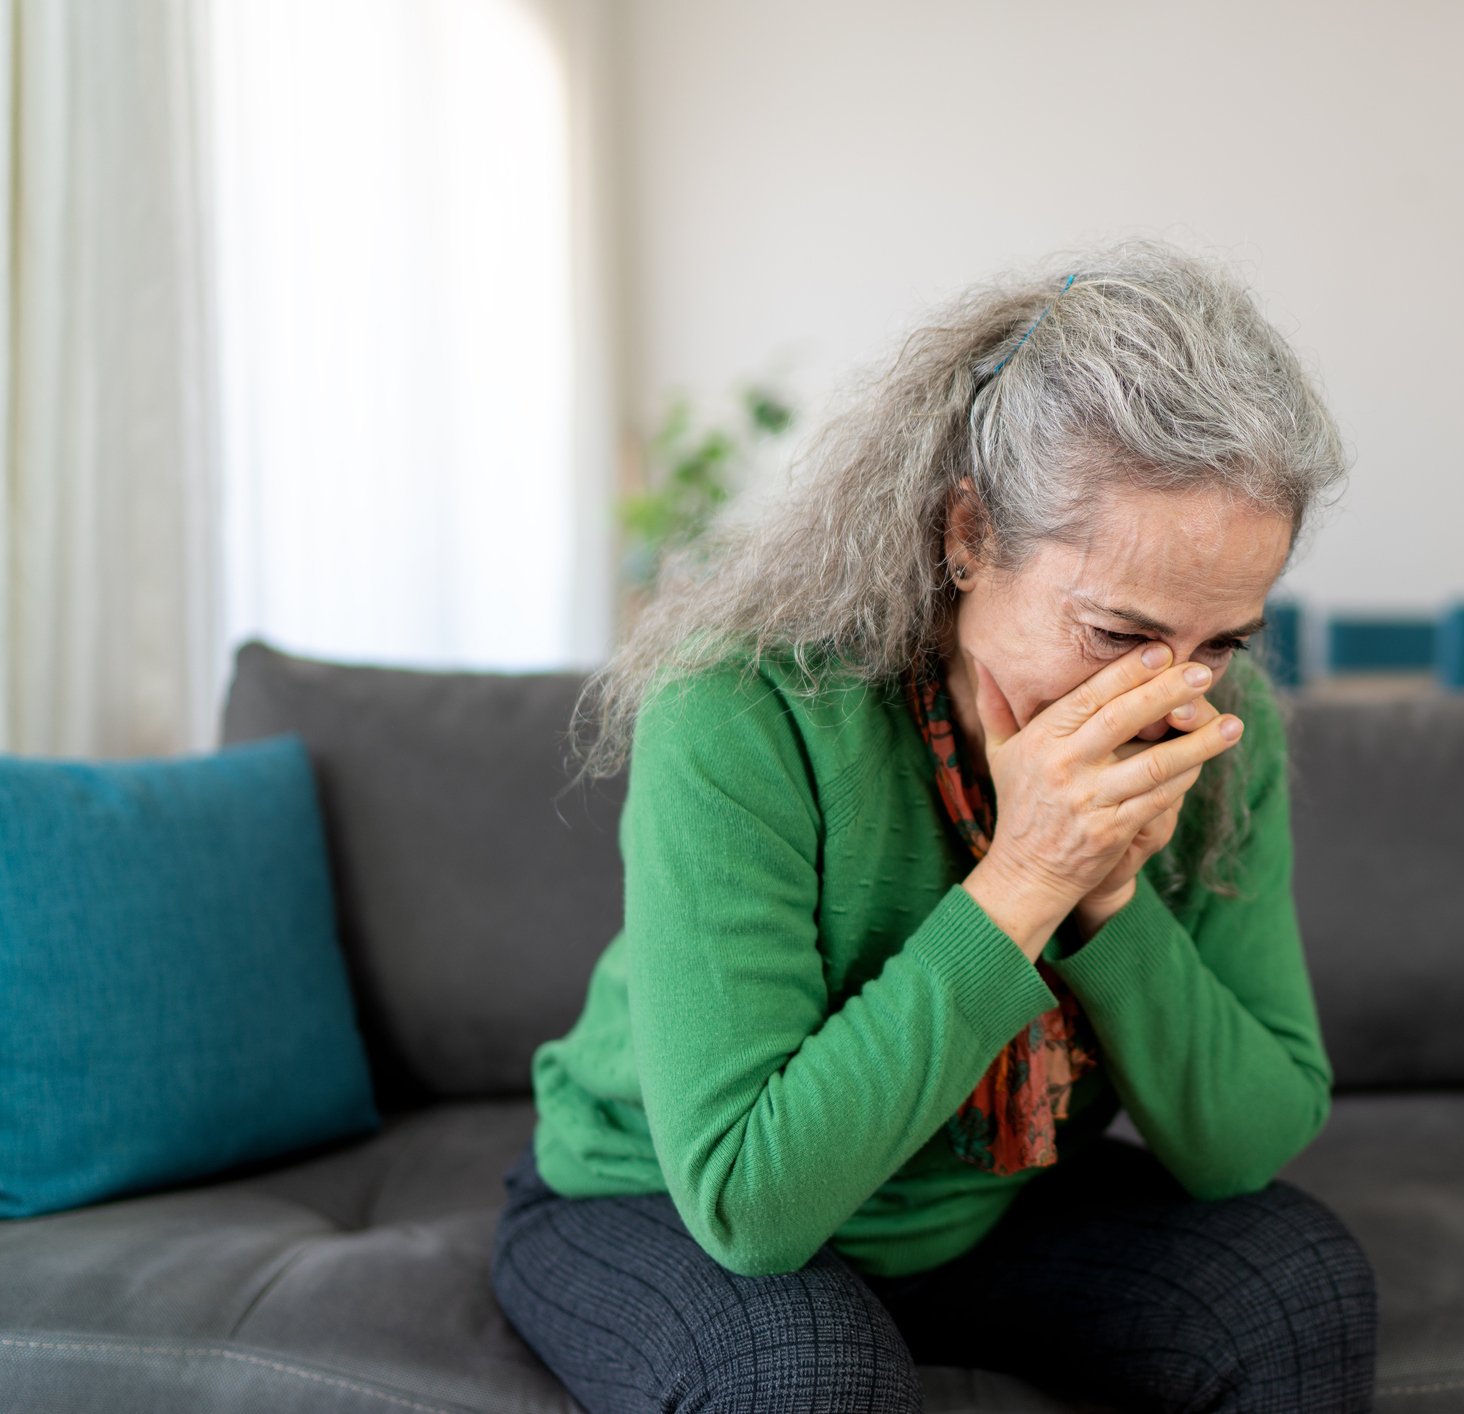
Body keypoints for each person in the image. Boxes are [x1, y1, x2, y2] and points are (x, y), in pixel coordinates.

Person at [488, 236, 1378, 1412]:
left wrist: (1107, 893)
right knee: (804, 1378)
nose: (1166, 691)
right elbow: (751, 1202)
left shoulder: (1219, 732)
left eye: (1220, 641)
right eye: (1114, 633)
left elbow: (1242, 1142)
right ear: (966, 535)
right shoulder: (740, 709)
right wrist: (1026, 878)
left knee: (1296, 1290)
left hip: (983, 1201)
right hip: (664, 1195)